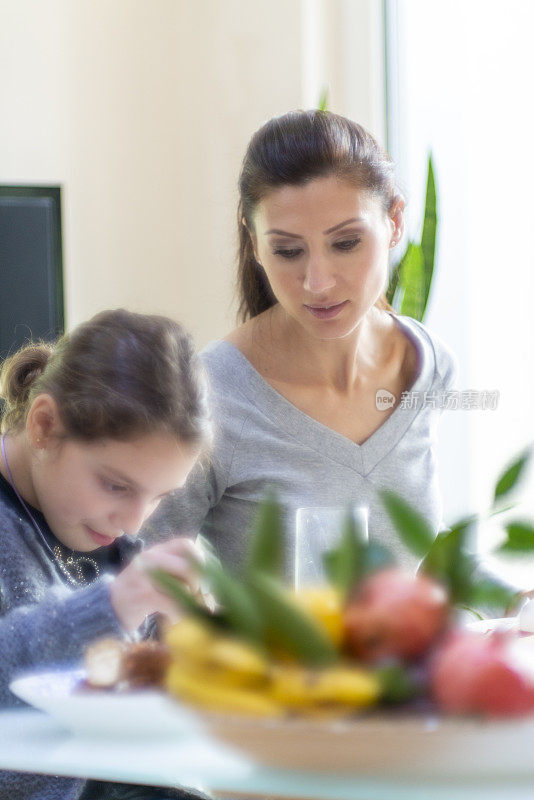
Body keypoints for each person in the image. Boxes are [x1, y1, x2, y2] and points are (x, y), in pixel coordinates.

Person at [144, 109, 457, 574]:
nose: (317, 282)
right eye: (288, 251)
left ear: (394, 222)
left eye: (346, 243)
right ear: (254, 244)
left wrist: (509, 597)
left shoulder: (426, 364)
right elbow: (135, 584)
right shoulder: (203, 397)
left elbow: (416, 557)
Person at [0, 309, 212, 800]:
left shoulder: (104, 532)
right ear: (45, 426)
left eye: (159, 496)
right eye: (116, 485)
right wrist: (112, 607)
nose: (134, 523)